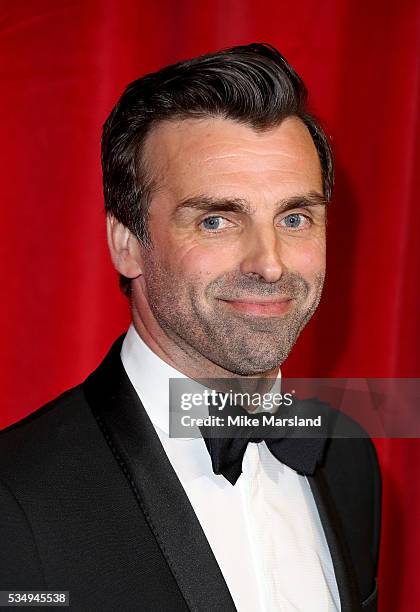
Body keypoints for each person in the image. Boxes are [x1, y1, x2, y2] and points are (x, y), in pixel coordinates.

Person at [0, 43, 381, 611]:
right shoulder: (15, 500)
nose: (270, 263)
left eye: (295, 217)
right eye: (217, 219)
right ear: (127, 243)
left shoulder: (345, 454)